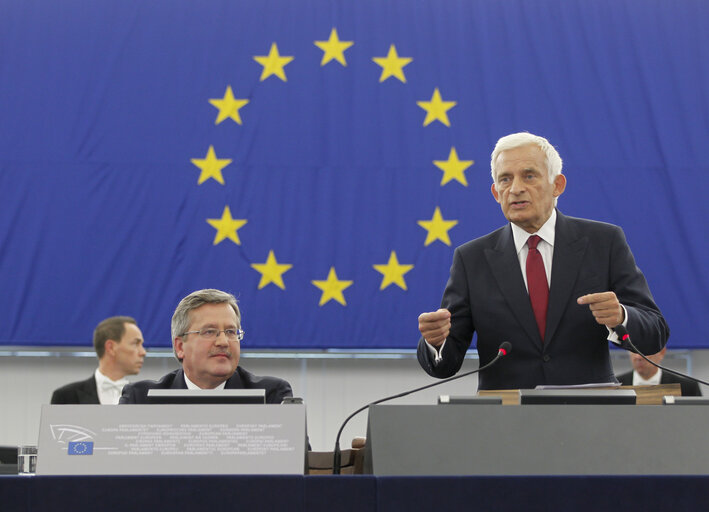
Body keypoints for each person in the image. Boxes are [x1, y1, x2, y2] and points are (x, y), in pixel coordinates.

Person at [417, 132, 669, 390]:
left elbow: (655, 333)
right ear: (495, 192)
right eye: (505, 179)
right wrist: (436, 342)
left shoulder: (604, 242)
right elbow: (446, 364)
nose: (515, 189)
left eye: (529, 175)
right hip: (505, 418)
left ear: (557, 185)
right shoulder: (471, 259)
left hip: (590, 415)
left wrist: (621, 317)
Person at [120, 289, 292, 403]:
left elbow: (298, 459)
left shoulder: (271, 396)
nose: (224, 342)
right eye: (209, 332)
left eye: (231, 332)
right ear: (180, 347)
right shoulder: (141, 399)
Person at [51, 316, 146, 404]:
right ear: (111, 347)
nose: (143, 352)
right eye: (135, 344)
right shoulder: (66, 397)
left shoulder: (144, 399)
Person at [616, 347, 702, 396]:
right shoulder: (615, 388)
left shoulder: (687, 388)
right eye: (633, 350)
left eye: (644, 351)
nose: (638, 357)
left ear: (661, 352)